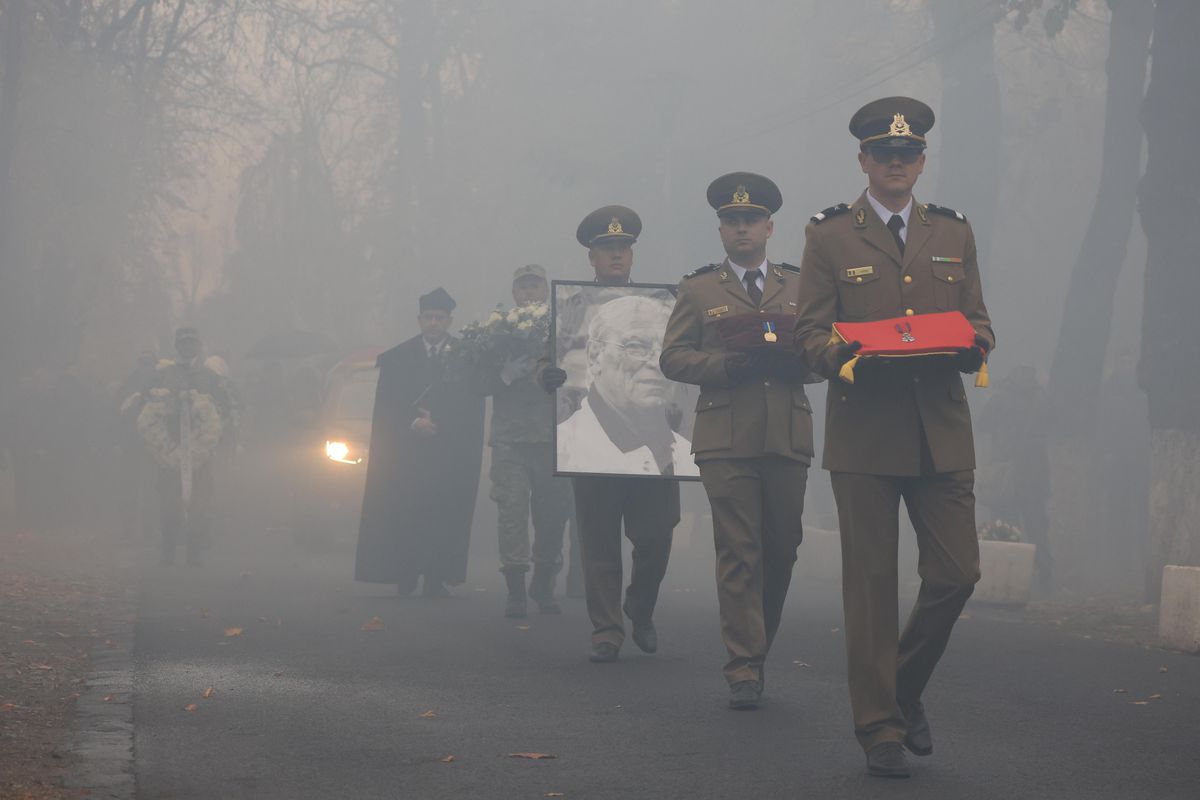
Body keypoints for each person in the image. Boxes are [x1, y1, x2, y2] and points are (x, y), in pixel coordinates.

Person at [792, 97, 995, 778]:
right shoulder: (828, 236)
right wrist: (846, 356)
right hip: (865, 434)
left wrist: (972, 347)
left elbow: (979, 321)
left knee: (957, 574)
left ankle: (902, 689)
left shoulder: (953, 231)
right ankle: (878, 726)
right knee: (872, 587)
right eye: (884, 154)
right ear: (863, 161)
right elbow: (810, 333)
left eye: (908, 154)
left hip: (941, 430)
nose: (897, 164)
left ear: (921, 161)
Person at [659, 172, 816, 710]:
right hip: (725, 435)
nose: (742, 228)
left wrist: (798, 358)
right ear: (721, 229)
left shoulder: (802, 285)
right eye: (732, 220)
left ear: (770, 227)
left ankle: (757, 643)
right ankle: (743, 665)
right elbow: (673, 356)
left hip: (787, 433)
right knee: (739, 549)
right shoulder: (699, 288)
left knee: (782, 548)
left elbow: (827, 354)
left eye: (751, 220)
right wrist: (727, 364)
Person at [538, 206, 680, 663]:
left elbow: (682, 360)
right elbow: (546, 359)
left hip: (655, 435)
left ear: (631, 254)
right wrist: (549, 375)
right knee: (598, 538)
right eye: (607, 249)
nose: (617, 255)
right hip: (592, 436)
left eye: (623, 248)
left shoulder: (664, 304)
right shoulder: (571, 305)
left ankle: (640, 603)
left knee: (657, 534)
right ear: (592, 258)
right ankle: (606, 629)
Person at [355, 288, 485, 597]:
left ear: (449, 320)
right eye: (428, 317)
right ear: (419, 319)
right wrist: (414, 422)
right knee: (406, 512)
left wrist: (440, 424)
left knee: (442, 513)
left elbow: (472, 407)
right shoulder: (398, 358)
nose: (434, 323)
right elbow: (386, 405)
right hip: (407, 454)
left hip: (447, 453)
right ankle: (405, 574)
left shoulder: (466, 357)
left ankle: (436, 576)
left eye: (440, 318)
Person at [476, 265, 573, 618]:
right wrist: (503, 374)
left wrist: (564, 374)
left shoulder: (563, 328)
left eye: (535, 286)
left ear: (545, 290)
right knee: (512, 514)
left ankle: (544, 582)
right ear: (514, 292)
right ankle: (515, 590)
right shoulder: (497, 331)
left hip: (552, 439)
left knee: (552, 516)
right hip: (511, 441)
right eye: (523, 287)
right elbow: (476, 383)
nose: (529, 293)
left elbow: (586, 371)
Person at [557, 295, 698, 477]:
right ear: (594, 356)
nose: (658, 363)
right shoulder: (564, 451)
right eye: (636, 346)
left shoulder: (690, 455)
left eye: (667, 350)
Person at [141, 328, 234, 565]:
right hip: (169, 449)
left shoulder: (209, 376)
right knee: (169, 503)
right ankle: (168, 552)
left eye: (192, 343)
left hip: (200, 451)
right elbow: (146, 402)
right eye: (184, 343)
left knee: (200, 502)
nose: (188, 348)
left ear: (199, 346)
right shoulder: (163, 375)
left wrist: (212, 437)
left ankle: (194, 553)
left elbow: (224, 408)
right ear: (177, 346)